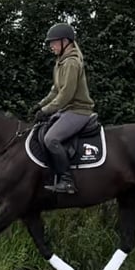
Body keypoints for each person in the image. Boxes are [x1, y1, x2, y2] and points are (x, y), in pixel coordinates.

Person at [31, 22, 95, 194]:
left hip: (78, 110)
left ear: (65, 41)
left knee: (51, 139)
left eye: (53, 42)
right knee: (40, 131)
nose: (51, 46)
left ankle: (67, 180)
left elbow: (66, 95)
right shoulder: (60, 62)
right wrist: (40, 104)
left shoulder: (71, 63)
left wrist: (46, 111)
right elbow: (55, 91)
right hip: (67, 109)